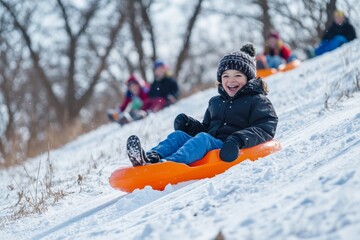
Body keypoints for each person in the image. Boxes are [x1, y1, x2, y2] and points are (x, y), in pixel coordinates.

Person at [126, 43, 278, 167]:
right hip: (211, 141)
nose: (231, 81)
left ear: (249, 79)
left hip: (229, 146)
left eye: (238, 75)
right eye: (226, 76)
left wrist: (237, 140)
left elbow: (265, 127)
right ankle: (151, 157)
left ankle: (168, 164)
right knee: (179, 136)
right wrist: (189, 125)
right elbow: (206, 128)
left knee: (203, 139)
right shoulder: (216, 102)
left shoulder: (257, 100)